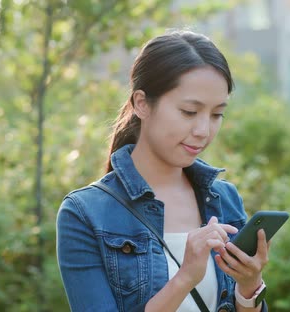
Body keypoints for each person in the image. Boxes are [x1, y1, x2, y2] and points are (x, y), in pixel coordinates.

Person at [56, 30, 270, 312]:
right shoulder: (85, 214)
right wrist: (185, 279)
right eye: (189, 112)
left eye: (217, 114)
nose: (203, 131)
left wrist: (248, 286)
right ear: (142, 104)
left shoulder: (224, 199)